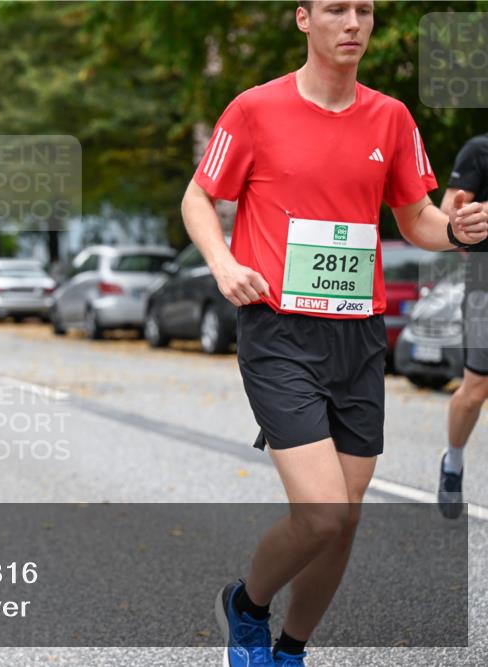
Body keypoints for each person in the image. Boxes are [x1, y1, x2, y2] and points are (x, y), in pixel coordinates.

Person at [179, 2, 488, 666]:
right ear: (303, 19)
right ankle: (247, 605)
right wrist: (224, 263)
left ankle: (290, 649)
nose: (353, 23)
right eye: (336, 9)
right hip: (279, 330)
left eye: (365, 11)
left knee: (344, 522)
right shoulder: (254, 110)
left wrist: (456, 233)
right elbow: (198, 196)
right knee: (320, 512)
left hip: (358, 334)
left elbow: (417, 220)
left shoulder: (392, 118)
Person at [439, 133, 488, 519]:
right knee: (475, 392)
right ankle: (453, 460)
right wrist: (463, 220)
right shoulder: (478, 150)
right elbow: (446, 218)